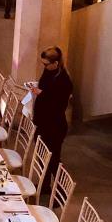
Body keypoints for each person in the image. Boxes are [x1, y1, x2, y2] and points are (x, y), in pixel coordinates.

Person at [30, 46, 73, 187]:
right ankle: (45, 186)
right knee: (43, 158)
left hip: (54, 126)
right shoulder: (49, 72)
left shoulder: (64, 80)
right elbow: (46, 88)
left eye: (46, 64)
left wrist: (41, 93)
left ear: (55, 63)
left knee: (53, 160)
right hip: (43, 123)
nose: (44, 66)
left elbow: (58, 105)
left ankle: (60, 191)